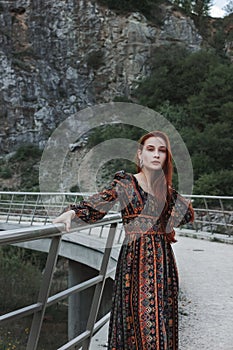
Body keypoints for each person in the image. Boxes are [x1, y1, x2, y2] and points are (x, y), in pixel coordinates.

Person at [53, 130, 194, 350]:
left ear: (166, 158)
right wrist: (72, 213)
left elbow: (187, 214)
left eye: (162, 151)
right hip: (135, 263)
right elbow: (102, 201)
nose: (156, 155)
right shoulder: (126, 183)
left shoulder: (165, 191)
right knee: (140, 325)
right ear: (140, 155)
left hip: (163, 264)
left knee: (160, 324)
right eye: (150, 149)